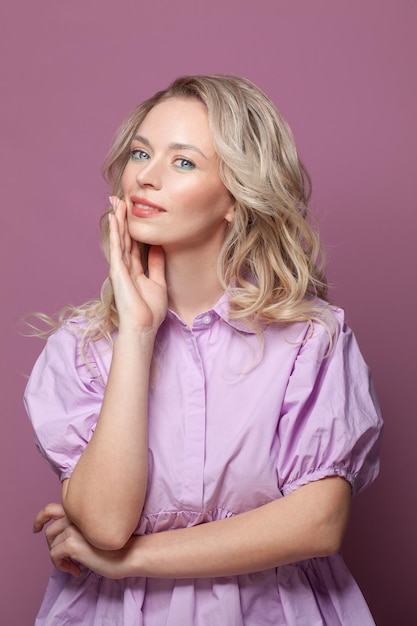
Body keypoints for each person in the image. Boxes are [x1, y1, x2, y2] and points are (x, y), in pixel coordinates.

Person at [25, 74, 382, 625]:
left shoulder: (312, 340)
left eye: (183, 162)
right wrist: (138, 334)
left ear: (237, 200)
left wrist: (131, 560)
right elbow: (104, 524)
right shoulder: (80, 349)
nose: (146, 176)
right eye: (140, 153)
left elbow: (319, 525)